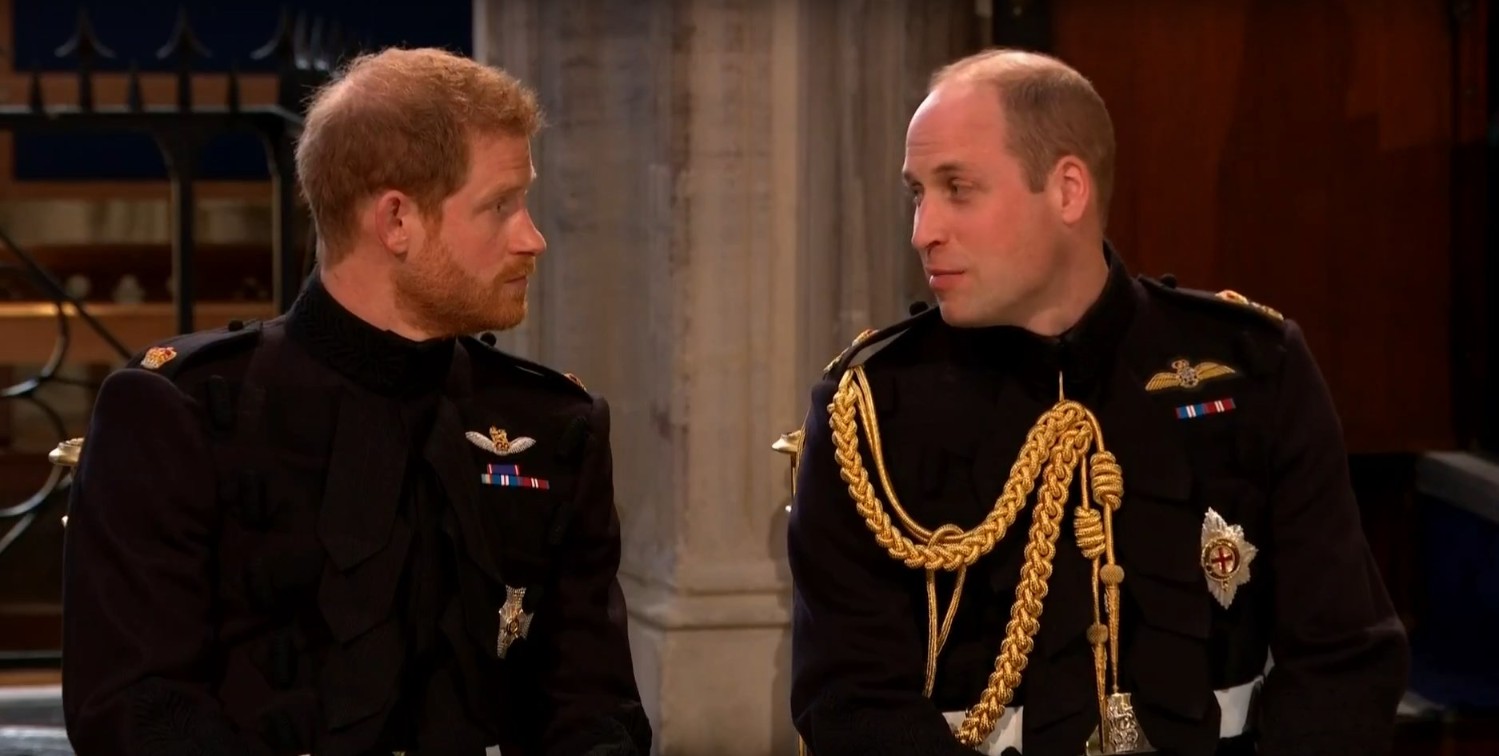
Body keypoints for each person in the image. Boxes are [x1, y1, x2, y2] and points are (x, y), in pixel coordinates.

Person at [785, 48, 1408, 756]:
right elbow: (849, 701)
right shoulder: (869, 412)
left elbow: (1344, 660)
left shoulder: (1254, 371)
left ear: (1067, 191)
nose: (923, 230)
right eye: (917, 194)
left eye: (957, 189)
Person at [59, 47, 650, 756]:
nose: (533, 238)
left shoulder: (552, 428)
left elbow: (596, 711)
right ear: (396, 220)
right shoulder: (180, 417)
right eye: (500, 205)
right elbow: (135, 711)